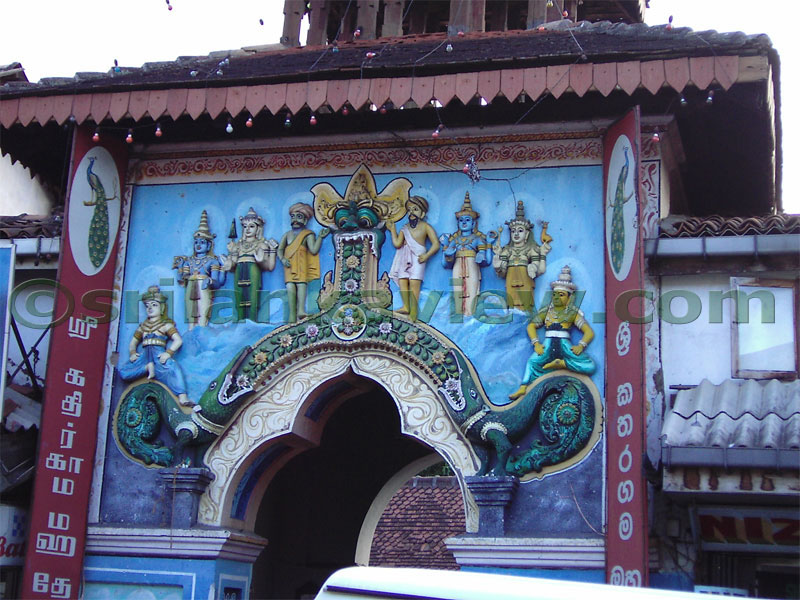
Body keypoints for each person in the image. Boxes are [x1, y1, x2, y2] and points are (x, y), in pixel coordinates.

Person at [509, 266, 595, 400]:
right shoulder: (546, 312)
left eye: (561, 295)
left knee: (590, 366)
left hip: (565, 346)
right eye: (555, 294)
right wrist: (536, 344)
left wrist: (580, 346)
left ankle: (562, 364)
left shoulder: (573, 314)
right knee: (532, 362)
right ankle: (523, 387)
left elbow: (589, 332)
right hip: (547, 345)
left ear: (569, 298)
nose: (556, 298)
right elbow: (531, 326)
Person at [118, 286, 192, 407]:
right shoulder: (143, 327)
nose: (150, 308)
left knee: (174, 369)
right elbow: (133, 343)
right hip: (144, 356)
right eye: (147, 306)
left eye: (154, 305)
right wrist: (132, 353)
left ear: (161, 307)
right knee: (124, 372)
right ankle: (147, 368)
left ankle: (182, 396)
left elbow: (178, 340)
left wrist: (168, 353)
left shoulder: (166, 325)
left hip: (159, 355)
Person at [439, 192, 497, 316]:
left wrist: (487, 246)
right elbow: (445, 264)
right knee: (457, 290)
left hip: (472, 266)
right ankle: (459, 314)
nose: (464, 222)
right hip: (457, 266)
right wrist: (446, 249)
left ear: (473, 223)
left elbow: (487, 261)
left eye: (467, 220)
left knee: (472, 290)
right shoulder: (454, 240)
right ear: (458, 223)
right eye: (461, 220)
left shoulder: (477, 239)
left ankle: (470, 314)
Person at [387, 195, 440, 321]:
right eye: (409, 210)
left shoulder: (426, 227)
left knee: (414, 283)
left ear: (422, 213)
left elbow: (436, 244)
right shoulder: (405, 228)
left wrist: (426, 256)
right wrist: (392, 230)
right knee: (402, 280)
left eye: (415, 209)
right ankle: (406, 306)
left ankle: (414, 312)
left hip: (418, 257)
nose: (411, 212)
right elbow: (397, 243)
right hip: (404, 256)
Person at [492, 201, 552, 311]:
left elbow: (539, 268)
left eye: (520, 231)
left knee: (525, 307)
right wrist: (498, 267)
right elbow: (502, 274)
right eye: (513, 231)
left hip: (525, 281)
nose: (516, 234)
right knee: (512, 306)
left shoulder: (531, 249)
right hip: (510, 281)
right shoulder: (507, 250)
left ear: (527, 234)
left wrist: (533, 267)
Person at [221, 207, 278, 321]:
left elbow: (270, 266)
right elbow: (232, 265)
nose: (247, 229)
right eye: (245, 226)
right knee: (239, 298)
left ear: (258, 228)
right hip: (239, 272)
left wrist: (270, 253)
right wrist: (229, 260)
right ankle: (240, 322)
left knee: (252, 299)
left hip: (253, 271)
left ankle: (252, 322)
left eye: (251, 226)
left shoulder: (261, 245)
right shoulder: (238, 245)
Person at [277, 202, 329, 322]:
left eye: (299, 216)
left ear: (305, 220)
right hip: (289, 266)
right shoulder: (287, 235)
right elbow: (280, 250)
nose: (295, 219)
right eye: (293, 216)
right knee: (290, 289)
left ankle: (301, 310)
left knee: (301, 286)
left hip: (301, 267)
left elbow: (314, 250)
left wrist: (320, 237)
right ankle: (292, 316)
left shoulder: (308, 235)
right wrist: (283, 259)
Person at [173, 210, 226, 329]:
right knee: (191, 317)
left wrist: (210, 280)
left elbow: (217, 282)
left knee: (203, 316)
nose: (198, 245)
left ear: (209, 245)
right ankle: (191, 333)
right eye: (196, 242)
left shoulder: (212, 261)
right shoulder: (188, 261)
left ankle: (201, 332)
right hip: (190, 289)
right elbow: (182, 280)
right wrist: (181, 268)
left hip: (204, 289)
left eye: (202, 242)